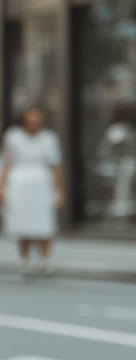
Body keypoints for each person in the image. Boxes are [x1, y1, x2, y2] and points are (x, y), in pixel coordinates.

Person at [0, 105, 64, 277]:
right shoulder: (13, 136)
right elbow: (7, 162)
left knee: (44, 224)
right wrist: (2, 187)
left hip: (41, 182)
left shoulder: (48, 138)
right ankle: (25, 263)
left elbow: (55, 165)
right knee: (22, 224)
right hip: (19, 183)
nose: (36, 121)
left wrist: (58, 190)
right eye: (32, 117)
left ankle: (46, 262)